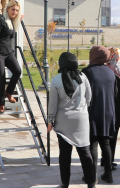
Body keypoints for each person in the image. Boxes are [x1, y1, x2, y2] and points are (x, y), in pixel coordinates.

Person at [47, 52, 96, 188]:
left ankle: (65, 183)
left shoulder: (56, 80)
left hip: (63, 121)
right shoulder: (83, 77)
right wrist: (81, 108)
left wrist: (50, 121)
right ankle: (91, 183)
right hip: (81, 120)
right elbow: (89, 97)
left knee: (64, 155)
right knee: (85, 153)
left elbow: (53, 104)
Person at [81, 46, 116, 184]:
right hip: (108, 111)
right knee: (106, 144)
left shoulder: (86, 72)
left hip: (93, 111)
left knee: (93, 144)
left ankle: (92, 177)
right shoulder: (110, 72)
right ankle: (108, 175)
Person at [0, 0, 22, 112]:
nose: (14, 12)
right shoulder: (1, 21)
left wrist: (19, 18)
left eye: (17, 10)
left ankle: (9, 92)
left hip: (8, 53)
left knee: (17, 71)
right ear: (7, 9)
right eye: (13, 10)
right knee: (1, 77)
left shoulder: (13, 22)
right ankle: (1, 103)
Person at [102, 47, 120, 170]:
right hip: (117, 108)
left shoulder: (104, 69)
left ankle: (104, 159)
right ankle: (110, 161)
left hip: (104, 106)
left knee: (105, 136)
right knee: (113, 137)